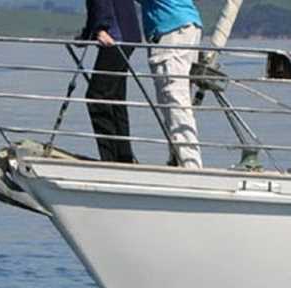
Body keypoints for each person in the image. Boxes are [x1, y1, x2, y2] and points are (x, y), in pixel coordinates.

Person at [138, 0, 203, 168]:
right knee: (178, 100)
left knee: (174, 100)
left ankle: (191, 167)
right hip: (187, 25)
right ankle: (180, 160)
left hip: (171, 29)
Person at [80, 0, 142, 163]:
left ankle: (110, 159)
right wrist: (88, 33)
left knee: (97, 97)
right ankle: (124, 157)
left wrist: (101, 28)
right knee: (115, 99)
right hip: (127, 34)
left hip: (114, 35)